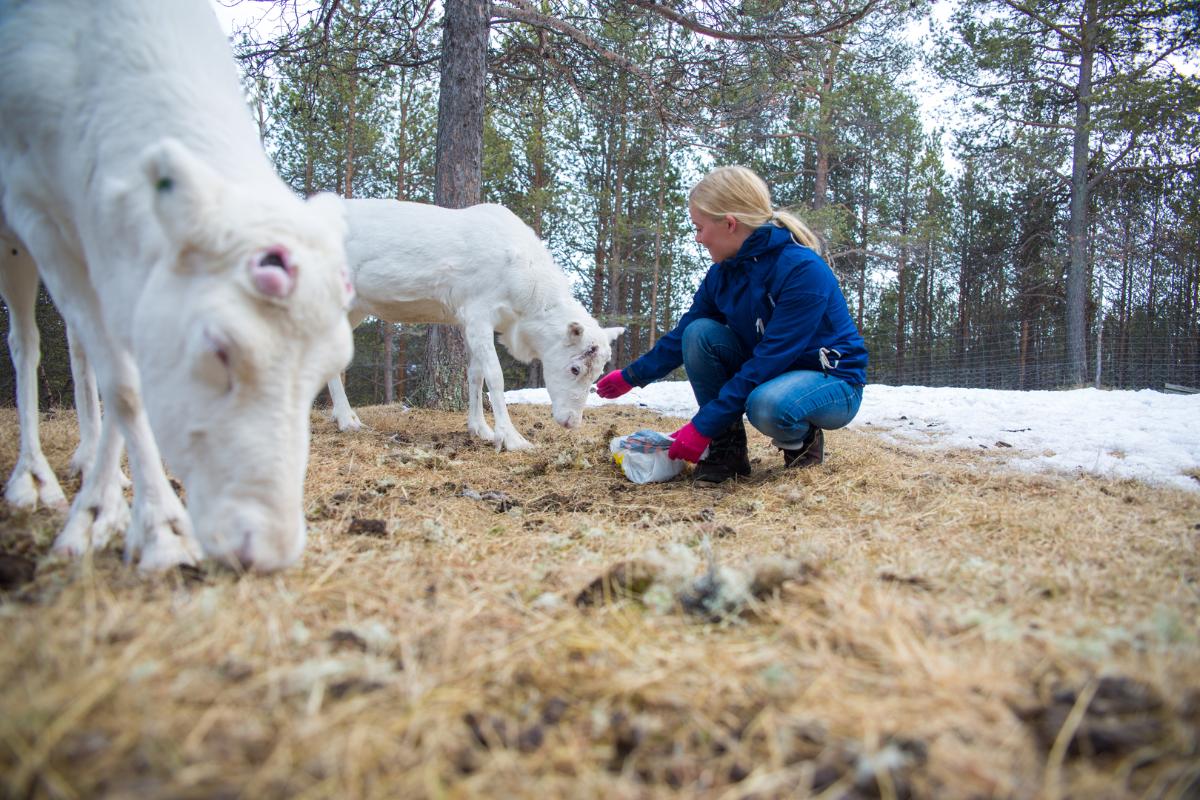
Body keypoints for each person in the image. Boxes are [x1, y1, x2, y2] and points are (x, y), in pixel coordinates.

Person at [596, 165, 868, 485]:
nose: (697, 238)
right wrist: (632, 376)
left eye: (699, 228)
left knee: (766, 404)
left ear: (729, 224)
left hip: (832, 381)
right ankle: (728, 453)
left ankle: (803, 440)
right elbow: (686, 333)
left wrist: (702, 426)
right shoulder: (722, 274)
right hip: (775, 372)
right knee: (700, 334)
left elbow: (770, 358)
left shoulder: (801, 270)